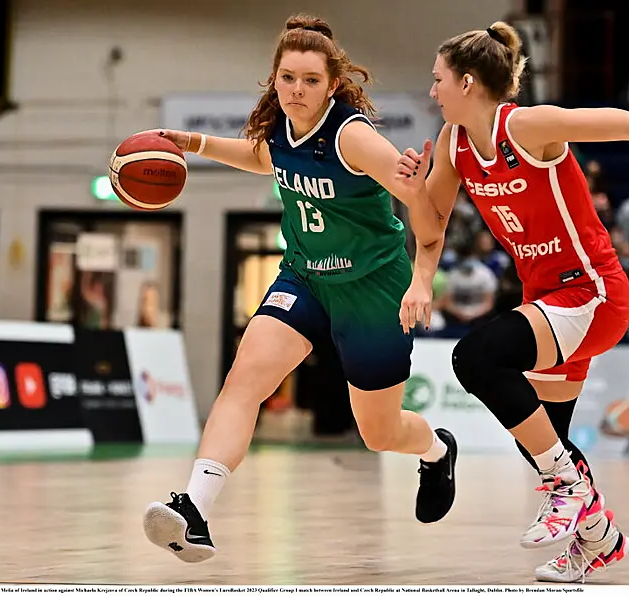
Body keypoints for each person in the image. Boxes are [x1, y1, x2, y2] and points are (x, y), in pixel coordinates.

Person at [395, 21, 629, 582]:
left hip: (593, 292)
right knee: (542, 437)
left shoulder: (527, 126)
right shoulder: (455, 146)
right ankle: (597, 540)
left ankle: (568, 489)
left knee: (476, 358)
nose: (431, 91)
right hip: (547, 300)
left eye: (437, 80)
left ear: (467, 83)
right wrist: (415, 241)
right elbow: (430, 227)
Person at [140, 14, 458, 564]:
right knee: (244, 381)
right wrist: (192, 141)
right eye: (287, 78)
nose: (296, 90)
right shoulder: (281, 129)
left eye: (310, 80)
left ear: (333, 84)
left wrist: (417, 190)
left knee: (379, 432)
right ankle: (194, 509)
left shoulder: (354, 136)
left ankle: (436, 450)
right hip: (305, 278)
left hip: (372, 287)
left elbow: (428, 226)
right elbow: (260, 158)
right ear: (275, 78)